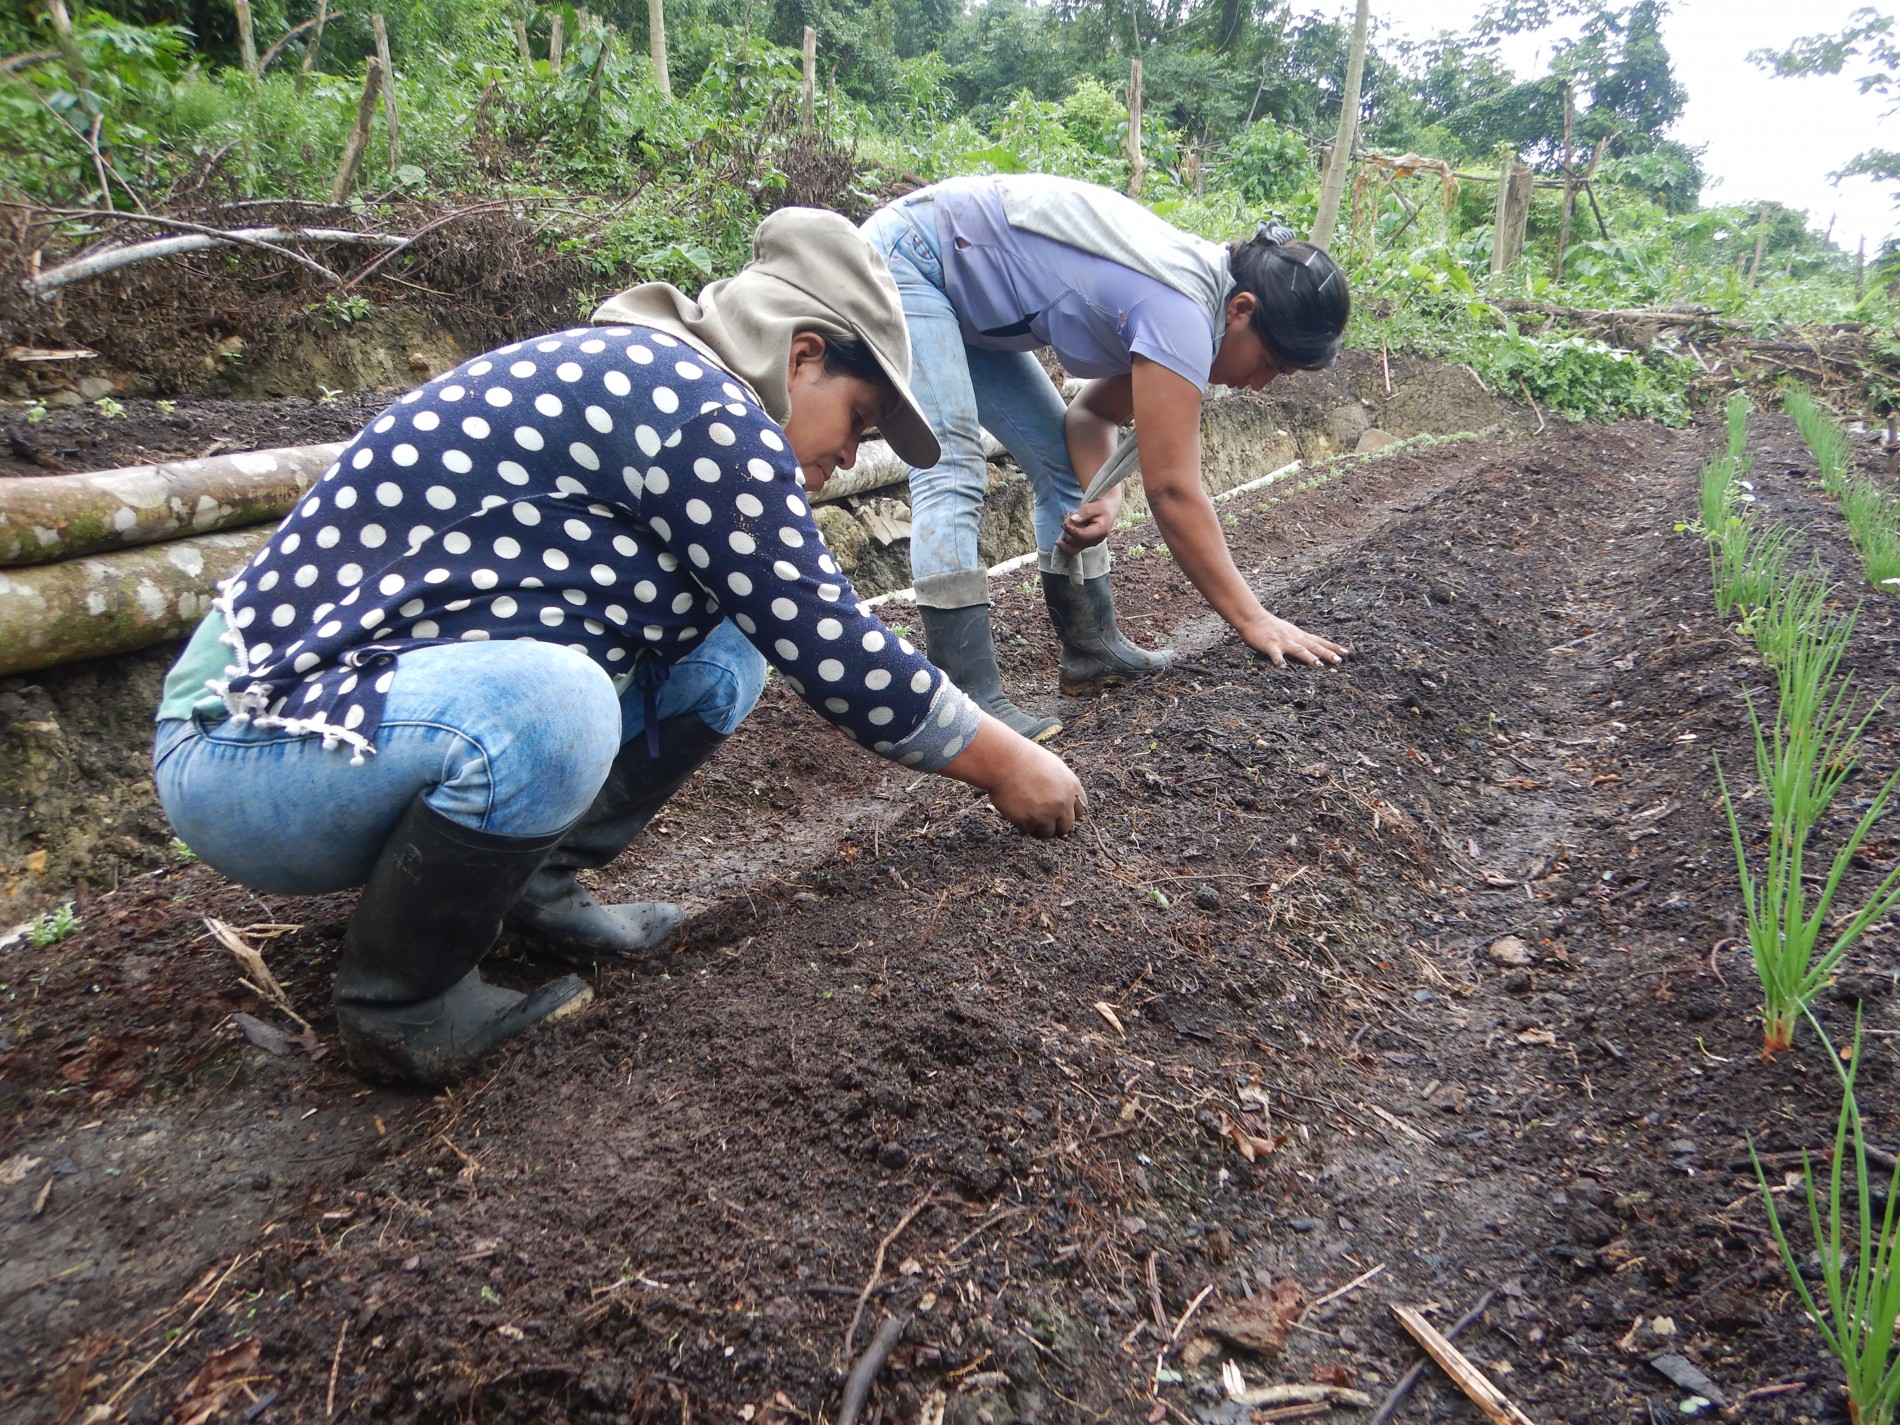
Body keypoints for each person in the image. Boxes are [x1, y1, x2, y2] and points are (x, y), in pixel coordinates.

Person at [151, 208, 1085, 1087]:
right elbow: (826, 637)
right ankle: (399, 1002)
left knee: (723, 651)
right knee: (554, 704)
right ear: (802, 355)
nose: (847, 457)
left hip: (342, 726)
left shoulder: (663, 385)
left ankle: (533, 887)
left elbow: (779, 620)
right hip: (246, 748)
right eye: (859, 420)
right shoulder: (700, 408)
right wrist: (1008, 763)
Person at [861, 174, 1352, 742]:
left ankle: (1091, 650)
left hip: (962, 287)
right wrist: (1254, 619)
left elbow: (1090, 415)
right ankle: (967, 698)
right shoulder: (1182, 309)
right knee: (951, 468)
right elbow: (1173, 491)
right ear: (1242, 310)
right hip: (916, 260)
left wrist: (1107, 493)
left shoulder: (1200, 298)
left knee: (1063, 466)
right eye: (1270, 364)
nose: (1262, 384)